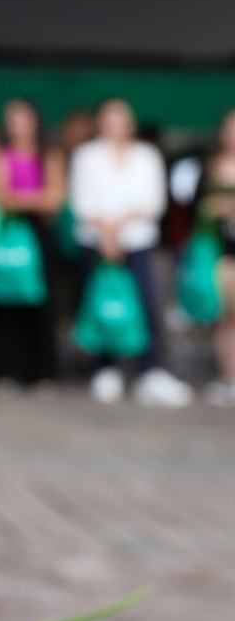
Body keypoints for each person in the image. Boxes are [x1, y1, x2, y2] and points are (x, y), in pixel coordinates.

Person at [70, 98, 193, 406]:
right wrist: (107, 232)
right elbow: (82, 201)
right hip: (96, 241)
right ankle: (104, 368)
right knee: (100, 305)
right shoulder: (87, 155)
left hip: (137, 241)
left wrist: (121, 227)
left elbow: (153, 200)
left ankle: (150, 371)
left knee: (147, 304)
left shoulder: (146, 156)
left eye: (120, 118)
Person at [0, 98, 65, 386]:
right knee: (5, 301)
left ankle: (42, 371)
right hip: (8, 233)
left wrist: (22, 199)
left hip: (39, 234)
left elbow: (55, 199)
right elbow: (0, 198)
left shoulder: (49, 155)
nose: (15, 124)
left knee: (41, 302)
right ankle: (4, 369)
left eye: (21, 118)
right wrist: (35, 199)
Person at [194, 108, 235, 405]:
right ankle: (229, 376)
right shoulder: (209, 167)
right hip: (222, 250)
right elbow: (196, 207)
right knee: (227, 316)